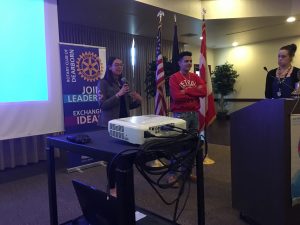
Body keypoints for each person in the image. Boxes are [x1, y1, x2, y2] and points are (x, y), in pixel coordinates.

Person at [97, 56, 142, 196]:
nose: (119, 67)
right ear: (110, 67)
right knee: (112, 158)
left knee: (123, 156)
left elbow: (128, 105)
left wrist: (138, 101)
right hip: (110, 125)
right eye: (116, 65)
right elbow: (102, 106)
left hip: (124, 124)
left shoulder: (124, 82)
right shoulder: (103, 83)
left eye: (121, 65)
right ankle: (112, 187)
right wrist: (118, 94)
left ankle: (122, 183)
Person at [168, 51, 207, 184]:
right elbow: (176, 97)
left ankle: (186, 173)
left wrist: (186, 91)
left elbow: (204, 91)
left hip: (194, 115)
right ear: (179, 63)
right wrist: (194, 91)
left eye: (190, 61)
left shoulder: (195, 77)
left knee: (191, 146)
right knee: (178, 146)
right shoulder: (174, 78)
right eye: (186, 61)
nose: (189, 63)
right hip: (180, 115)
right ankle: (172, 174)